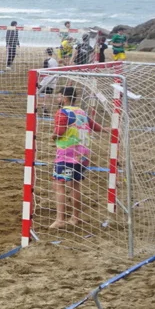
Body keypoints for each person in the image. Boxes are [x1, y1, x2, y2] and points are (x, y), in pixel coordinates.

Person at [50, 86, 102, 229]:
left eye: (59, 96)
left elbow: (60, 131)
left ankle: (60, 220)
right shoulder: (81, 111)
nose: (57, 98)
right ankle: (75, 217)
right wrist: (109, 130)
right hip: (83, 155)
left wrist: (53, 136)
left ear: (65, 98)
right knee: (75, 185)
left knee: (59, 184)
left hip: (67, 155)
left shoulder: (62, 112)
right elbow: (94, 126)